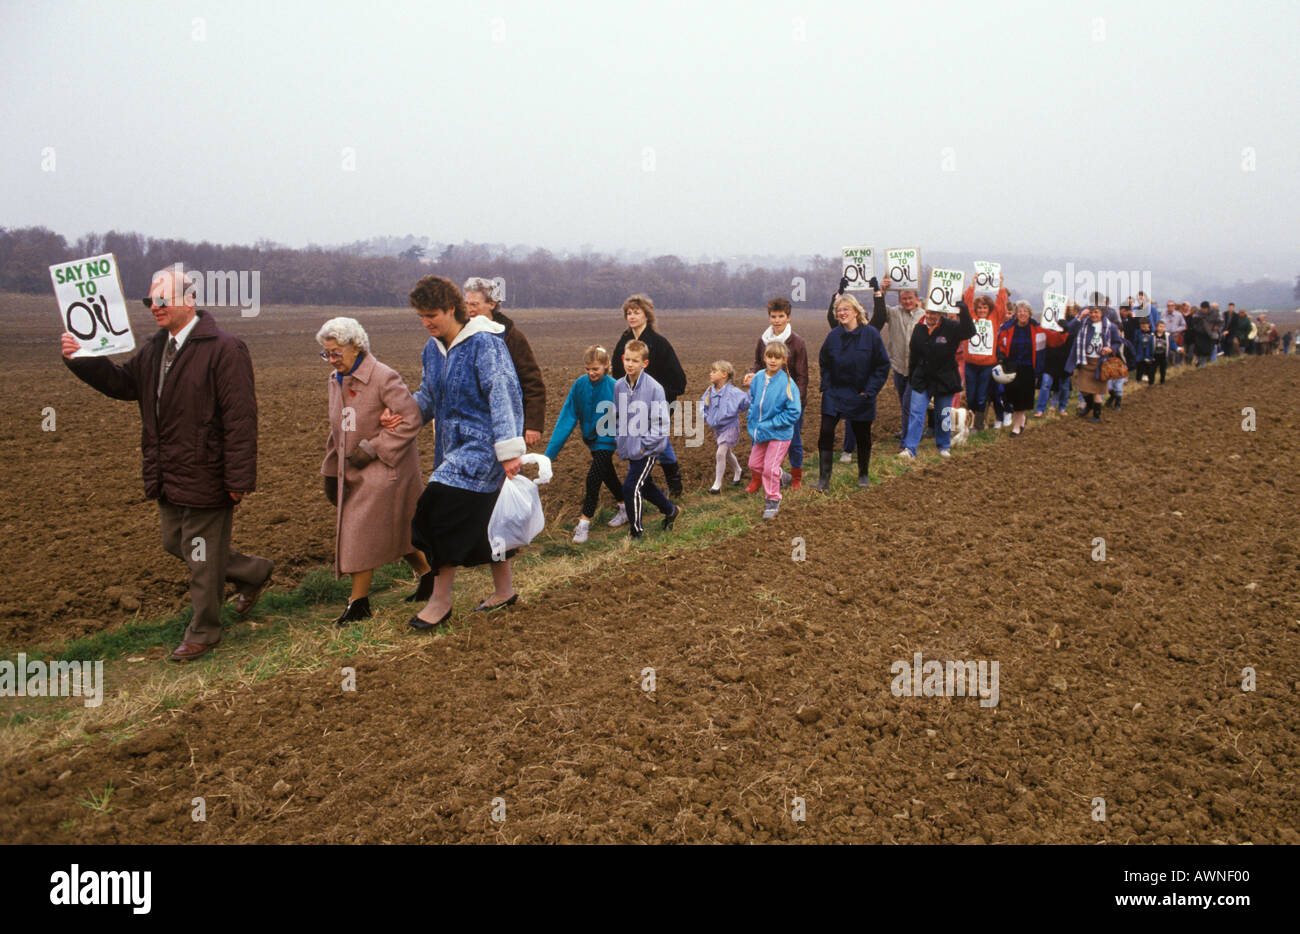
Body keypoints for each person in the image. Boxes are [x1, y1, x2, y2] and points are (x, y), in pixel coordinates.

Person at [60, 265, 273, 661]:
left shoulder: (225, 349)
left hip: (207, 470)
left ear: (189, 300)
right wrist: (83, 357)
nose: (154, 307)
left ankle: (205, 631)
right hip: (168, 469)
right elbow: (125, 385)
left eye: (162, 299)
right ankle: (253, 572)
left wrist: (239, 476)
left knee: (202, 558)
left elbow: (241, 417)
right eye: (149, 301)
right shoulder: (156, 348)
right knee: (175, 542)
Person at [401, 276, 525, 630]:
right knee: (489, 516)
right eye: (421, 317)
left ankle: (440, 599)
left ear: (451, 309)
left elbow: (502, 393)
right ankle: (505, 591)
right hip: (450, 448)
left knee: (437, 508)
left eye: (432, 315)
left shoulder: (484, 344)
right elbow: (428, 396)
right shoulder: (432, 350)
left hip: (485, 448)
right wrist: (402, 414)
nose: (426, 323)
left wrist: (508, 451)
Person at [317, 317, 430, 624]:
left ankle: (359, 603)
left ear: (356, 346)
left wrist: (372, 449)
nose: (331, 359)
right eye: (326, 353)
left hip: (387, 467)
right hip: (351, 468)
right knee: (402, 532)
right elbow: (337, 430)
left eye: (336, 352)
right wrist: (331, 469)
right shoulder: (335, 379)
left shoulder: (383, 377)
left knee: (358, 531)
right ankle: (428, 574)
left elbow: (410, 420)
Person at [544, 345, 625, 544]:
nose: (591, 373)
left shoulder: (615, 387)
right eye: (587, 368)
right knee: (608, 474)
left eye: (595, 369)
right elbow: (567, 417)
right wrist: (549, 455)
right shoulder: (580, 385)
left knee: (593, 478)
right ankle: (626, 508)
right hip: (591, 438)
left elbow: (627, 417)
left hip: (608, 438)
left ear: (606, 366)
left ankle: (584, 523)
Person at [815, 292, 891, 488]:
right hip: (835, 393)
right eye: (838, 310)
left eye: (846, 309)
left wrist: (869, 391)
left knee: (862, 435)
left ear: (856, 311)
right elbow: (823, 362)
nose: (841, 313)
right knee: (826, 432)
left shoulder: (871, 335)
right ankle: (824, 479)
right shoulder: (832, 336)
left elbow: (882, 365)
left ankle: (863, 475)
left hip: (861, 395)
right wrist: (827, 385)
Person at [463, 277, 546, 448]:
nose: (469, 310)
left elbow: (532, 382)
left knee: (508, 472)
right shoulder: (461, 337)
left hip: (508, 424)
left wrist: (533, 425)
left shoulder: (512, 338)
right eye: (467, 304)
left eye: (474, 304)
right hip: (471, 424)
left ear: (492, 304)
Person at [614, 340, 679, 538]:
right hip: (629, 446)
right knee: (645, 485)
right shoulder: (619, 386)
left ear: (645, 363)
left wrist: (644, 446)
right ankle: (670, 510)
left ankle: (636, 533)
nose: (630, 364)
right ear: (623, 359)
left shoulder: (654, 389)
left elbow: (661, 423)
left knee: (631, 487)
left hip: (647, 449)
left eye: (635, 360)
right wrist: (620, 439)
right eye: (628, 359)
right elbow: (617, 415)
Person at [743, 298, 808, 488]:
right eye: (773, 316)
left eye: (781, 316)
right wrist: (752, 373)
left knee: (794, 441)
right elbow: (758, 362)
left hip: (788, 399)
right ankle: (756, 477)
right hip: (766, 399)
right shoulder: (763, 341)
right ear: (769, 317)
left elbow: (802, 375)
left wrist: (799, 402)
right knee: (759, 437)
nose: (777, 320)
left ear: (788, 317)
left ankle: (796, 478)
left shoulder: (797, 342)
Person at [901, 298, 976, 456]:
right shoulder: (919, 328)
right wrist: (912, 375)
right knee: (916, 412)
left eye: (934, 313)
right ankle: (910, 448)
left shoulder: (952, 327)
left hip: (945, 377)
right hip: (922, 378)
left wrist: (964, 311)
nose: (930, 316)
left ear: (941, 314)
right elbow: (913, 353)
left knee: (943, 413)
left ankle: (943, 446)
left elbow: (970, 332)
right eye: (928, 312)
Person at [865, 277, 926, 452]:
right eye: (904, 299)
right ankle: (910, 433)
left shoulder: (924, 316)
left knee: (909, 405)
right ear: (899, 300)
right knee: (904, 403)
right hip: (899, 367)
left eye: (910, 298)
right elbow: (879, 313)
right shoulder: (893, 313)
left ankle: (906, 443)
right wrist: (881, 291)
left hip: (917, 369)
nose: (907, 301)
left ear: (916, 299)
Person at [994, 301, 1069, 436]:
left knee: (1022, 397)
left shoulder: (1038, 327)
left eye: (1025, 311)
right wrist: (1000, 354)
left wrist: (1064, 330)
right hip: (1012, 367)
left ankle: (1016, 426)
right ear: (1016, 314)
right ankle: (1021, 419)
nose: (1022, 314)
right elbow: (1000, 343)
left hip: (1029, 367)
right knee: (1011, 396)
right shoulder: (1007, 327)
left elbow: (1055, 340)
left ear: (1030, 313)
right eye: (1020, 311)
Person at [746, 342, 802, 519]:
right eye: (770, 356)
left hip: (780, 433)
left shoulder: (788, 384)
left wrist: (771, 424)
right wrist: (751, 418)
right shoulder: (758, 378)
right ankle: (782, 476)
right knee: (754, 464)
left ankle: (772, 500)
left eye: (777, 357)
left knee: (769, 468)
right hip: (761, 432)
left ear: (784, 360)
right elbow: (753, 400)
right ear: (764, 358)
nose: (772, 360)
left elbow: (794, 412)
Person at [960, 275, 1009, 431]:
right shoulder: (970, 318)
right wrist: (972, 285)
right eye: (979, 308)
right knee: (971, 396)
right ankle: (970, 422)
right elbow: (967, 303)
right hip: (971, 364)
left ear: (989, 309)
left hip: (987, 365)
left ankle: (978, 425)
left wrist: (1001, 286)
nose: (981, 310)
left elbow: (1001, 305)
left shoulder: (995, 319)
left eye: (985, 308)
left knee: (982, 396)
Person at [1061, 303, 1123, 422]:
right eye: (1091, 312)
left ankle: (1096, 415)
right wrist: (1079, 317)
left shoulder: (1111, 327)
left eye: (1096, 312)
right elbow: (1069, 328)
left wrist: (1110, 349)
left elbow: (1117, 342)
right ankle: (1089, 405)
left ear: (1102, 314)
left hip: (1100, 362)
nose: (1093, 315)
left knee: (1096, 392)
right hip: (1085, 361)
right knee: (1082, 388)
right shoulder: (1084, 323)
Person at [701, 360, 749, 494]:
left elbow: (746, 402)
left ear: (724, 374)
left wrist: (752, 388)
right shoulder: (709, 391)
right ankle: (738, 470)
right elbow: (702, 405)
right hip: (718, 428)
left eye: (714, 371)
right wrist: (706, 416)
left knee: (720, 453)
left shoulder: (733, 392)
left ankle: (717, 484)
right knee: (727, 453)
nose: (710, 374)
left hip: (730, 427)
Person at [1034, 304, 1075, 418]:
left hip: (1064, 360)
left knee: (1064, 386)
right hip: (1050, 360)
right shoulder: (1048, 324)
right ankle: (1040, 409)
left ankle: (1062, 407)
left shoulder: (1071, 324)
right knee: (1046, 383)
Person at [1132, 319, 1157, 386]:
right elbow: (1135, 342)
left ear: (1149, 325)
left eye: (1145, 326)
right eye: (1142, 327)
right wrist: (1135, 352)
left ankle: (1149, 379)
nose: (1143, 328)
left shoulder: (1153, 333)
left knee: (1149, 366)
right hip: (1140, 352)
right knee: (1140, 367)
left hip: (1149, 352)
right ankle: (1138, 380)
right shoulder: (1138, 332)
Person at [1150, 320, 1170, 385]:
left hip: (1163, 355)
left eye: (1163, 327)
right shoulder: (1152, 336)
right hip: (1155, 356)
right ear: (1156, 327)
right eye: (1160, 327)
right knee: (1152, 370)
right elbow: (1149, 346)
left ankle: (1162, 381)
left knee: (1163, 370)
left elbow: (1172, 344)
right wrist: (1148, 356)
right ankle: (1151, 382)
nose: (1162, 328)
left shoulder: (1167, 336)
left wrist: (1178, 348)